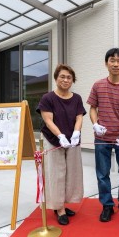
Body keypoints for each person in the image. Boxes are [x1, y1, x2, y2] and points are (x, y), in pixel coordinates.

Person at [87, 48, 119, 222]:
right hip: (101, 138)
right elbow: (92, 108)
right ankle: (107, 205)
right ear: (106, 63)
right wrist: (95, 124)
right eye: (112, 60)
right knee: (102, 173)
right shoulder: (98, 85)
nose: (116, 64)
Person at [36, 64, 86, 225]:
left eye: (69, 77)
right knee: (56, 174)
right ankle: (59, 209)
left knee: (72, 173)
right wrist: (60, 135)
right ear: (56, 78)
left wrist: (76, 133)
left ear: (73, 80)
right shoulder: (48, 98)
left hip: (73, 140)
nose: (65, 80)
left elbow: (79, 117)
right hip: (53, 139)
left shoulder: (76, 98)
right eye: (62, 76)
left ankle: (63, 203)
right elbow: (47, 120)